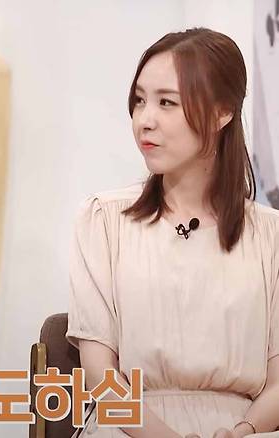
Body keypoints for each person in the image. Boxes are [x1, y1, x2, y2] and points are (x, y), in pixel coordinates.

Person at [66, 28, 279, 438]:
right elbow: (99, 376)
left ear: (222, 112)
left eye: (167, 102)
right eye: (139, 101)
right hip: (129, 428)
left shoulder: (271, 236)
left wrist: (244, 429)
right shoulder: (103, 220)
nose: (145, 121)